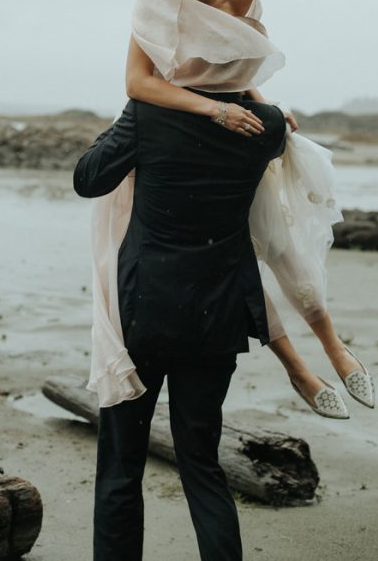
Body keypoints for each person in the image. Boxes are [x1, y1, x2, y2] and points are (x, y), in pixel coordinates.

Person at [119, 0, 375, 418]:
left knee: (280, 242)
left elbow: (232, 71)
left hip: (233, 127)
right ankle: (296, 369)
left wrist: (264, 103)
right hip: (180, 136)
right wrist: (214, 111)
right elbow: (139, 84)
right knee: (234, 262)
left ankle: (334, 346)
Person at [74, 93, 288, 561]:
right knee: (202, 463)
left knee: (121, 465)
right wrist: (260, 98)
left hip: (143, 312)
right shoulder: (267, 124)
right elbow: (278, 135)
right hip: (218, 314)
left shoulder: (149, 113)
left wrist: (128, 116)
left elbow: (88, 178)